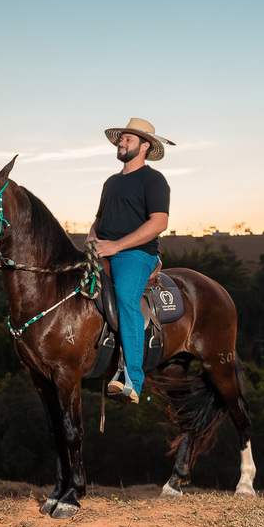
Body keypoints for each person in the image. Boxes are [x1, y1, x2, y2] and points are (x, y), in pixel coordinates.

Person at [87, 118, 174, 405]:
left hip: (136, 253)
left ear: (145, 146)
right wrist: (91, 241)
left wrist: (117, 245)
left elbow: (159, 223)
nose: (120, 143)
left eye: (128, 139)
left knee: (125, 297)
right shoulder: (111, 182)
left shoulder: (153, 180)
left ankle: (132, 380)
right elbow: (99, 220)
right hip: (104, 250)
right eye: (120, 139)